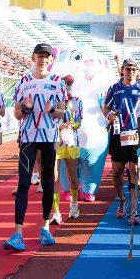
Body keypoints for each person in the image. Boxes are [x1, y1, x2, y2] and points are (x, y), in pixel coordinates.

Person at [5, 43, 66, 251]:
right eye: (39, 56)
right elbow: (16, 114)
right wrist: (25, 107)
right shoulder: (23, 81)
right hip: (29, 137)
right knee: (23, 183)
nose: (42, 59)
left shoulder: (58, 82)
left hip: (49, 137)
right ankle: (18, 233)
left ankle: (45, 227)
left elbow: (62, 112)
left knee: (48, 183)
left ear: (51, 60)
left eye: (46, 56)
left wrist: (52, 111)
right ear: (33, 58)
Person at [104, 58, 140, 223]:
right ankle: (122, 199)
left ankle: (134, 210)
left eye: (134, 69)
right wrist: (108, 115)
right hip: (118, 135)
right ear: (122, 70)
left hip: (136, 136)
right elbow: (105, 106)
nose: (131, 72)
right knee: (117, 173)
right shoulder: (114, 88)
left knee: (135, 171)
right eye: (128, 69)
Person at [57, 75, 82, 219]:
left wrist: (72, 125)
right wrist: (59, 127)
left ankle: (74, 204)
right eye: (65, 83)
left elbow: (79, 122)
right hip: (55, 140)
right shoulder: (54, 99)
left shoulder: (77, 101)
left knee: (73, 176)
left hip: (71, 140)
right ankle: (56, 211)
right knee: (54, 176)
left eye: (70, 84)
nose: (67, 86)